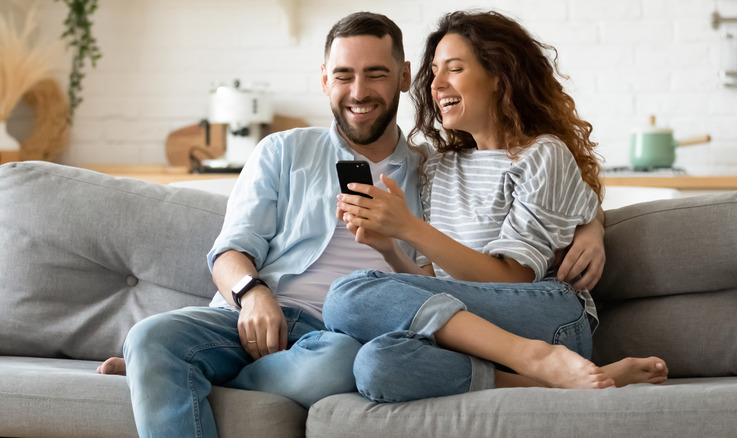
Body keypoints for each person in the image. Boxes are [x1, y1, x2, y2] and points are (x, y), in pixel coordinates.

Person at [97, 11, 607, 436]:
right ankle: (163, 366)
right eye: (343, 75)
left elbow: (547, 194)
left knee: (344, 351)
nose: (358, 91)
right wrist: (253, 293)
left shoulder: (428, 167)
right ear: (325, 80)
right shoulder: (284, 151)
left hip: (338, 335)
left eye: (376, 75)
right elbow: (230, 251)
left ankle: (177, 377)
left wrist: (592, 228)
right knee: (149, 338)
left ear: (404, 77)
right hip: (257, 314)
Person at [323, 10, 668, 404]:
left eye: (454, 68)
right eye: (434, 71)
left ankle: (538, 356)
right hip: (472, 327)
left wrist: (410, 228)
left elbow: (514, 279)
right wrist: (389, 247)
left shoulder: (541, 155)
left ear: (499, 76)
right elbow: (434, 285)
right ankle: (554, 379)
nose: (435, 84)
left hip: (546, 318)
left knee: (346, 294)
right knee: (376, 365)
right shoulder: (437, 167)